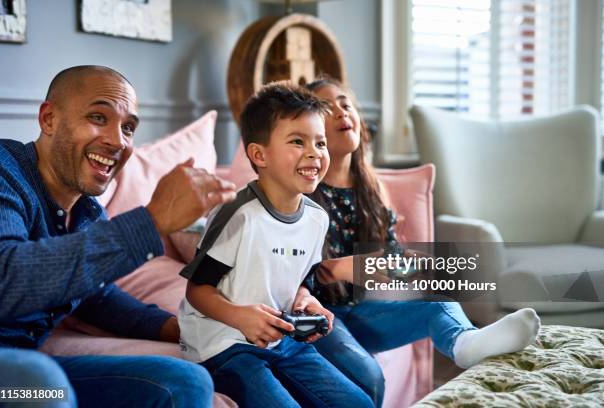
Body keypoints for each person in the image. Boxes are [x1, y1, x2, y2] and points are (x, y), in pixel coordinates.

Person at [0, 65, 236, 408]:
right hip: (19, 380)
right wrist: (151, 221)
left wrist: (184, 329)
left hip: (30, 373)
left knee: (184, 380)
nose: (117, 140)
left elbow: (96, 298)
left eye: (128, 128)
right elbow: (3, 278)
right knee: (40, 383)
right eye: (97, 117)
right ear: (48, 119)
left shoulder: (89, 213)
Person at [300, 77, 541, 407]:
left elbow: (390, 263)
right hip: (321, 316)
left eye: (346, 103)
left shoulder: (372, 188)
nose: (342, 111)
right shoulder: (304, 192)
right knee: (368, 377)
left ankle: (465, 343)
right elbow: (296, 273)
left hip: (364, 310)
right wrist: (341, 268)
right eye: (328, 107)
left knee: (436, 299)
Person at [178, 82, 374, 408]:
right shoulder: (238, 215)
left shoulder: (315, 219)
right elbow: (196, 291)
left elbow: (298, 283)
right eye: (298, 142)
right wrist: (241, 317)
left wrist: (307, 303)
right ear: (259, 155)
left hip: (281, 340)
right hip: (222, 345)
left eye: (321, 143)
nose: (314, 153)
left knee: (359, 403)